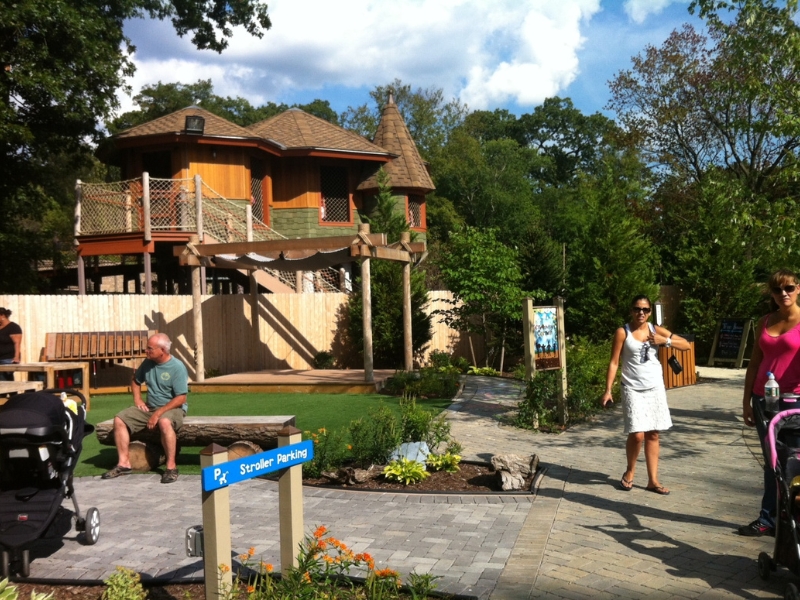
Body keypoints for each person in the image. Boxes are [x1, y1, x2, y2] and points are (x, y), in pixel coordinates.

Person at [601, 295, 691, 495]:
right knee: (637, 433)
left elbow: (685, 345)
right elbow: (614, 362)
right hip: (632, 387)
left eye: (645, 310)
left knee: (653, 433)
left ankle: (653, 480)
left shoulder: (655, 330)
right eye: (637, 309)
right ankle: (630, 471)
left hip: (655, 387)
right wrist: (608, 389)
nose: (641, 313)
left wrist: (665, 341)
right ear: (631, 310)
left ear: (650, 312)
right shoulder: (622, 332)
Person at [738, 269, 800, 536]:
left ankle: (792, 518)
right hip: (763, 400)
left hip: (794, 401)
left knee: (794, 461)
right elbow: (754, 364)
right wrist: (746, 402)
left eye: (789, 288)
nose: (783, 294)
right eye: (777, 290)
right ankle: (768, 519)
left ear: (798, 289)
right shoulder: (765, 321)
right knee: (771, 461)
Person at [102, 333, 189, 484]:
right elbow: (136, 381)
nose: (146, 351)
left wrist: (158, 414)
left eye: (149, 348)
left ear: (162, 350)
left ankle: (171, 467)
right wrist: (138, 399)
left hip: (173, 408)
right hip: (150, 408)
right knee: (120, 419)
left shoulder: (177, 367)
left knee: (164, 422)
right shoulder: (148, 363)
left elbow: (181, 398)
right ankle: (124, 464)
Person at [0, 308, 22, 381]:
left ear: (2, 315)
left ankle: (12, 392)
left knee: (4, 379)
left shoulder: (13, 327)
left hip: (8, 358)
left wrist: (16, 357)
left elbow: (17, 343)